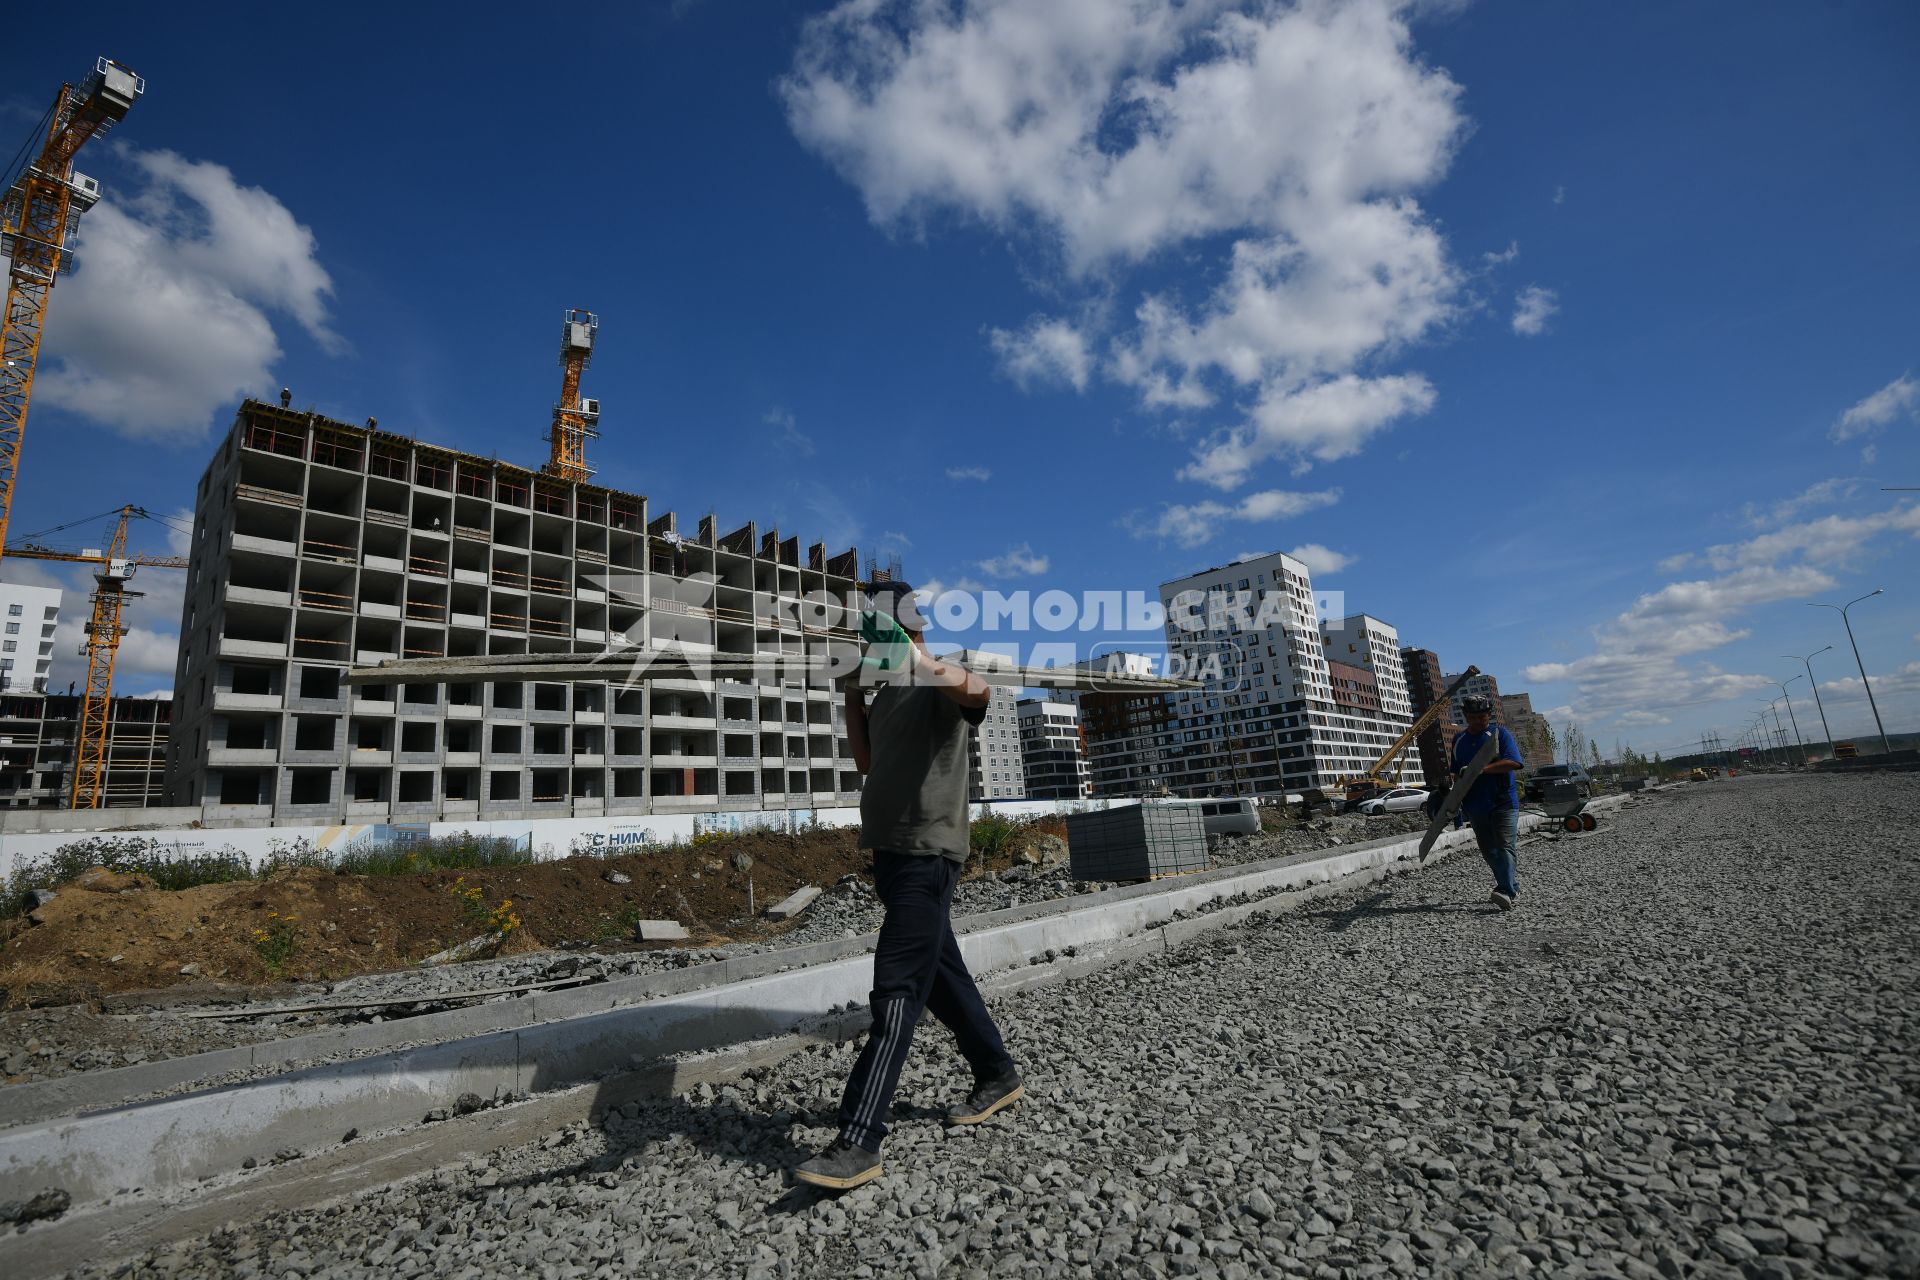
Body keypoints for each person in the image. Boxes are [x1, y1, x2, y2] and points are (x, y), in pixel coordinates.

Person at [793, 581, 1023, 1191]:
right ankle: (997, 1072)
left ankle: (859, 1140)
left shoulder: (936, 677)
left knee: (896, 991)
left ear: (908, 628)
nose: (874, 642)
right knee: (941, 977)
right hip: (891, 856)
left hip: (929, 854)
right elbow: (867, 764)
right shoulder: (888, 689)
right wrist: (852, 696)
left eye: (882, 631)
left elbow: (979, 696)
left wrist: (919, 661)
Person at [1449, 695, 1525, 910]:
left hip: (1503, 802)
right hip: (1475, 804)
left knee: (1504, 845)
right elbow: (1456, 774)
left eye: (1482, 716)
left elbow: (1515, 762)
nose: (1479, 721)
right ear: (1466, 717)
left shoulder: (1500, 735)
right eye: (1473, 717)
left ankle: (1506, 891)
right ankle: (1510, 886)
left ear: (1489, 715)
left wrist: (1481, 769)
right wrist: (1456, 801)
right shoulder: (1459, 740)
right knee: (1488, 850)